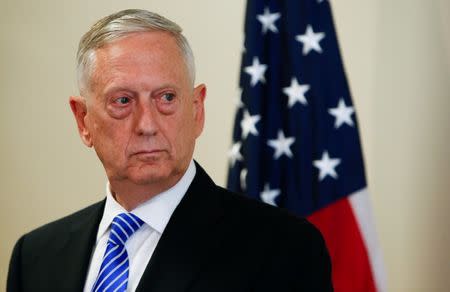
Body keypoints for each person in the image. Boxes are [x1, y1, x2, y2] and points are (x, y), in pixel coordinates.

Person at [7, 9, 332, 292]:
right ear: (83, 120)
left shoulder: (285, 251)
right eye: (122, 101)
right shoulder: (34, 257)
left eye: (166, 98)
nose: (147, 124)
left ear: (196, 110)